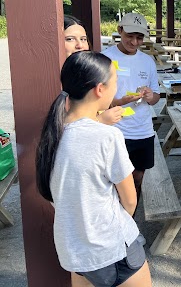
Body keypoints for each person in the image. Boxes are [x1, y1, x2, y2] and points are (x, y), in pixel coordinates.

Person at [35, 51, 152, 287]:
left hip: (74, 252)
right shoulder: (107, 136)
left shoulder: (53, 133)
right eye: (115, 82)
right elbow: (129, 202)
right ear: (100, 89)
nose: (116, 89)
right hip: (112, 251)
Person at [102, 13, 161, 204]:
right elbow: (97, 101)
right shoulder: (105, 58)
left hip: (143, 130)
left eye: (140, 37)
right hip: (115, 130)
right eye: (130, 36)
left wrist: (151, 96)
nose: (134, 42)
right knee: (113, 183)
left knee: (138, 178)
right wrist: (120, 101)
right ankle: (114, 226)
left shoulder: (147, 61)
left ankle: (131, 226)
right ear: (120, 31)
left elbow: (156, 96)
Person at [64, 15, 123, 127]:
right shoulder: (51, 81)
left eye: (83, 39)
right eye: (70, 39)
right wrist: (99, 121)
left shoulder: (84, 73)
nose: (80, 45)